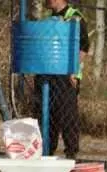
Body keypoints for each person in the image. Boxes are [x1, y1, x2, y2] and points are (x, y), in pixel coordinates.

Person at [35, 0, 89, 160]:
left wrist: (73, 71)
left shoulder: (75, 18)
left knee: (67, 115)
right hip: (48, 74)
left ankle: (71, 153)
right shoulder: (49, 19)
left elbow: (84, 48)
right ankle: (47, 150)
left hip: (66, 76)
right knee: (47, 115)